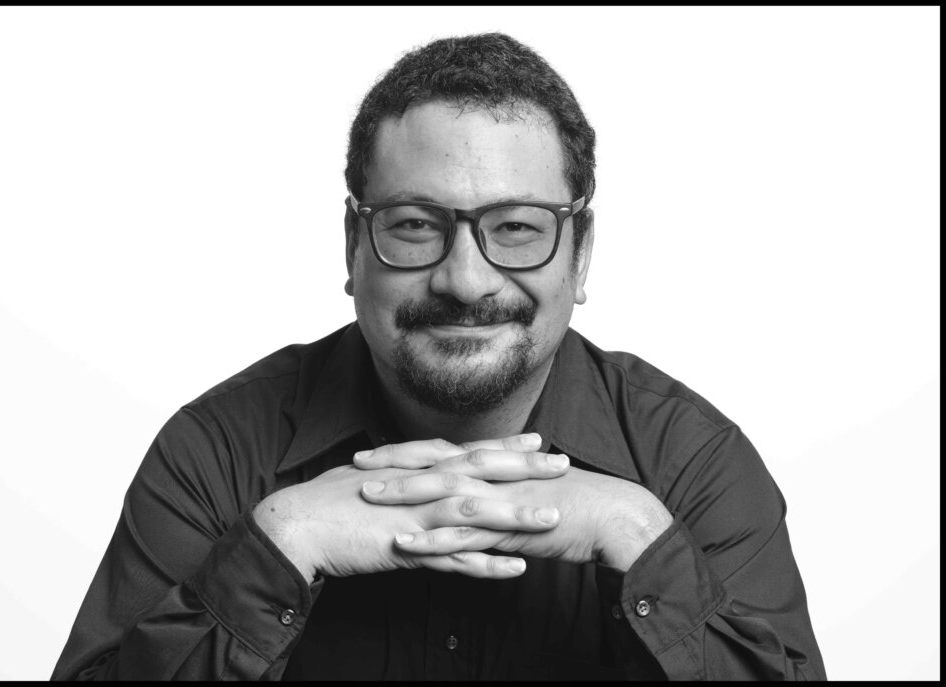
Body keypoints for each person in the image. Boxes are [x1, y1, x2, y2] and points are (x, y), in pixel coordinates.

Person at [52, 33, 826, 681]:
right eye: (416, 225)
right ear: (353, 246)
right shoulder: (216, 453)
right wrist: (279, 545)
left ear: (581, 253)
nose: (465, 279)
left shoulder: (695, 464)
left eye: (516, 228)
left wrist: (639, 539)